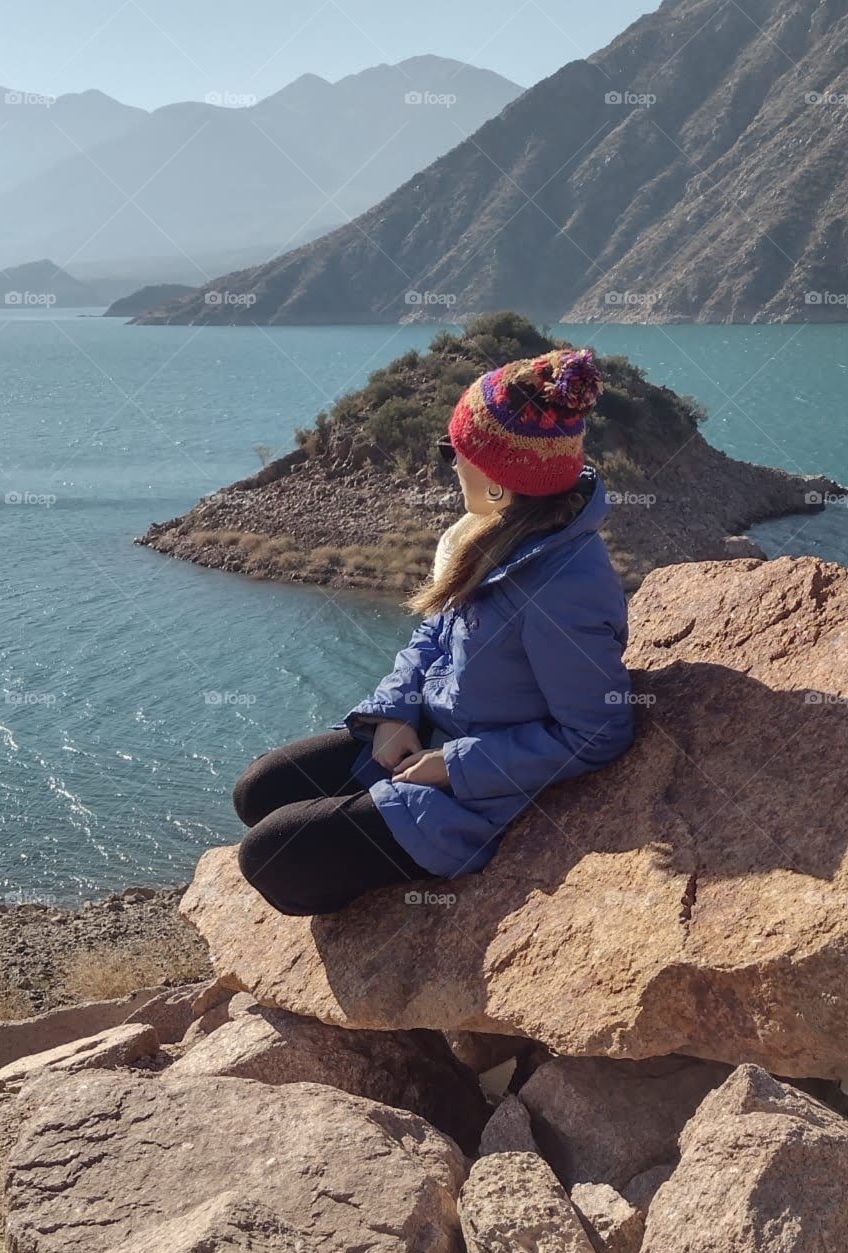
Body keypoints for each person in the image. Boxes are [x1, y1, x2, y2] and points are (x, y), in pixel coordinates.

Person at [232, 347, 635, 915]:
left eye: (458, 453)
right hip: (429, 730)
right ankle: (373, 809)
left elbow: (600, 731)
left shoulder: (563, 586)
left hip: (481, 790)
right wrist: (394, 714)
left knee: (273, 859)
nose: (451, 465)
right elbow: (431, 638)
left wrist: (454, 766)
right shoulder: (491, 533)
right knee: (259, 791)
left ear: (499, 481)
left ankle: (404, 850)